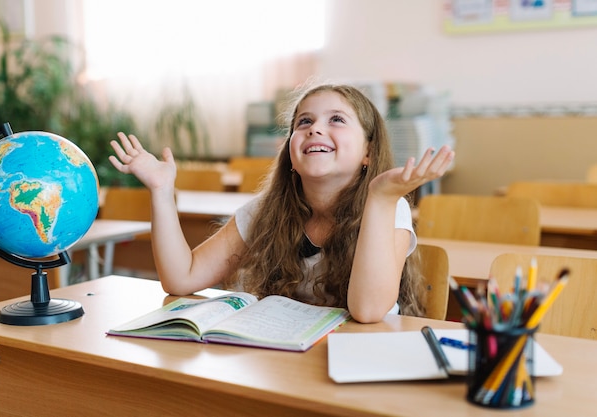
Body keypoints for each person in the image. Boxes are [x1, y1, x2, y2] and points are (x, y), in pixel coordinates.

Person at [109, 83, 454, 323]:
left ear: (369, 152)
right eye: (304, 122)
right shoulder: (265, 211)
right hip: (287, 361)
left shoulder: (387, 208)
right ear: (290, 148)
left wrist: (379, 199)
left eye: (336, 119)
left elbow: (367, 311)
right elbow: (180, 279)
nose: (315, 129)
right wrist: (162, 190)